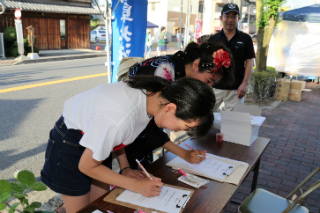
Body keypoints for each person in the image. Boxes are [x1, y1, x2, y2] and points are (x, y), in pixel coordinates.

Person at [41, 75, 215, 213]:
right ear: (170, 108)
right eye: (184, 126)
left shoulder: (155, 96)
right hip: (71, 143)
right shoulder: (118, 118)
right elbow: (87, 166)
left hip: (96, 139)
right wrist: (136, 186)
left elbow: (119, 137)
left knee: (100, 204)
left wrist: (125, 168)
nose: (178, 130)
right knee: (82, 210)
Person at [125, 41, 235, 169]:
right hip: (130, 137)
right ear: (196, 64)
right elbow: (150, 128)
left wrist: (184, 153)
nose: (208, 86)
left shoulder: (178, 71)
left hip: (140, 137)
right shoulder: (163, 71)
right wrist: (183, 153)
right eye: (209, 80)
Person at [208, 3, 255, 111]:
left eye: (234, 16)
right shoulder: (213, 39)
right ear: (221, 18)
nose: (230, 19)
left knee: (232, 122)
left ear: (238, 19)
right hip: (215, 87)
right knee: (206, 117)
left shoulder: (246, 39)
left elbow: (249, 62)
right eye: (227, 16)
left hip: (236, 89)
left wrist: (244, 84)